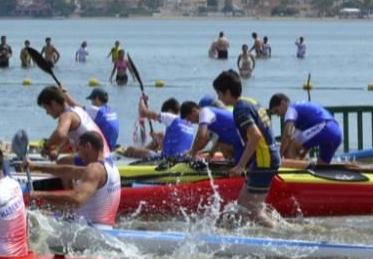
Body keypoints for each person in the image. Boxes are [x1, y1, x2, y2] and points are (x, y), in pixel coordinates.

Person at [213, 70, 282, 228]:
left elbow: (256, 136)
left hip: (264, 160)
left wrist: (241, 165)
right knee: (242, 204)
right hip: (265, 157)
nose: (219, 98)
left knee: (253, 211)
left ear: (228, 92)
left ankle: (278, 233)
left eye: (219, 94)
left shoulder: (240, 109)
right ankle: (230, 232)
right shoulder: (249, 101)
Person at [26, 131, 121, 226]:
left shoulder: (94, 169)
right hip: (104, 226)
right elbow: (70, 171)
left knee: (30, 216)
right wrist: (36, 167)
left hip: (87, 230)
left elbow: (76, 200)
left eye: (78, 150)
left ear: (87, 146)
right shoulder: (110, 166)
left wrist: (39, 195)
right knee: (45, 211)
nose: (78, 155)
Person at [36, 85, 111, 170]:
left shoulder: (66, 116)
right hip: (106, 157)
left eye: (46, 108)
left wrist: (46, 146)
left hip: (99, 162)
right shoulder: (77, 109)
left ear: (53, 104)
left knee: (61, 163)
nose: (47, 113)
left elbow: (60, 134)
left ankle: (74, 183)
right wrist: (58, 150)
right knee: (66, 161)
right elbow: (70, 138)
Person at [268, 93, 343, 164]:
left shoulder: (290, 109)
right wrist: (301, 156)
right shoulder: (300, 113)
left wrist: (278, 157)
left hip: (325, 127)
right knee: (322, 165)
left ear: (283, 103)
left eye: (276, 111)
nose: (278, 115)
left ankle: (294, 174)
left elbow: (287, 135)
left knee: (291, 148)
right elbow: (302, 142)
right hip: (337, 132)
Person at [122, 96, 199, 159]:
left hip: (167, 159)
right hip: (183, 157)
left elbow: (143, 112)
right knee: (151, 149)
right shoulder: (190, 124)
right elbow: (168, 142)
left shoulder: (170, 117)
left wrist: (141, 99)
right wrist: (156, 137)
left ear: (169, 111)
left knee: (130, 150)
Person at [67, 87, 119, 151]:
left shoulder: (96, 110)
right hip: (112, 146)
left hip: (104, 148)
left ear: (97, 98)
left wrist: (64, 92)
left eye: (92, 100)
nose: (91, 103)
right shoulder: (110, 110)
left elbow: (73, 105)